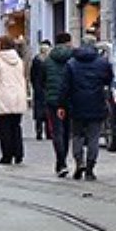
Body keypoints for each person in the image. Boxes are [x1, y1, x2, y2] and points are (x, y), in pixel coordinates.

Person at [58, 37, 113, 181]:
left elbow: (65, 87)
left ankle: (79, 162)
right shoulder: (102, 62)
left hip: (76, 104)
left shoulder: (71, 63)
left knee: (77, 136)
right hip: (96, 103)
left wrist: (61, 105)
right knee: (94, 137)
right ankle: (90, 168)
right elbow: (109, 79)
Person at [0, 35, 29, 165]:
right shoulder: (18, 60)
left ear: (2, 45)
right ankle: (19, 153)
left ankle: (7, 155)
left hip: (2, 97)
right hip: (17, 97)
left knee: (4, 128)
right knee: (16, 126)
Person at [41, 37, 73, 176]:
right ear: (68, 42)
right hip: (69, 100)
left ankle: (61, 162)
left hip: (53, 101)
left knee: (57, 132)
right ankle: (63, 159)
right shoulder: (72, 59)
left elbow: (42, 81)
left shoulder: (47, 61)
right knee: (67, 131)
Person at [30, 40, 53, 140]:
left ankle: (39, 132)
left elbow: (32, 75)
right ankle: (49, 133)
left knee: (39, 113)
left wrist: (34, 85)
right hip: (48, 88)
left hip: (38, 89)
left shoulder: (36, 60)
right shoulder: (50, 61)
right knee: (48, 112)